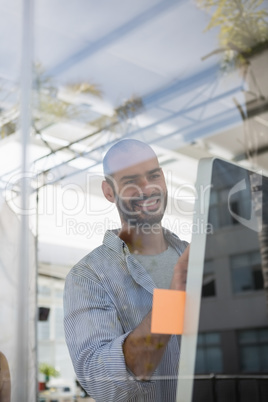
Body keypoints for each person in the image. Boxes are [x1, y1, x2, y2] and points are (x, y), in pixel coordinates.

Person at [64, 139, 189, 401]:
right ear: (109, 191)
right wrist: (172, 302)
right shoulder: (88, 276)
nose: (147, 188)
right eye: (131, 181)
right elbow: (104, 386)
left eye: (153, 175)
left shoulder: (194, 255)